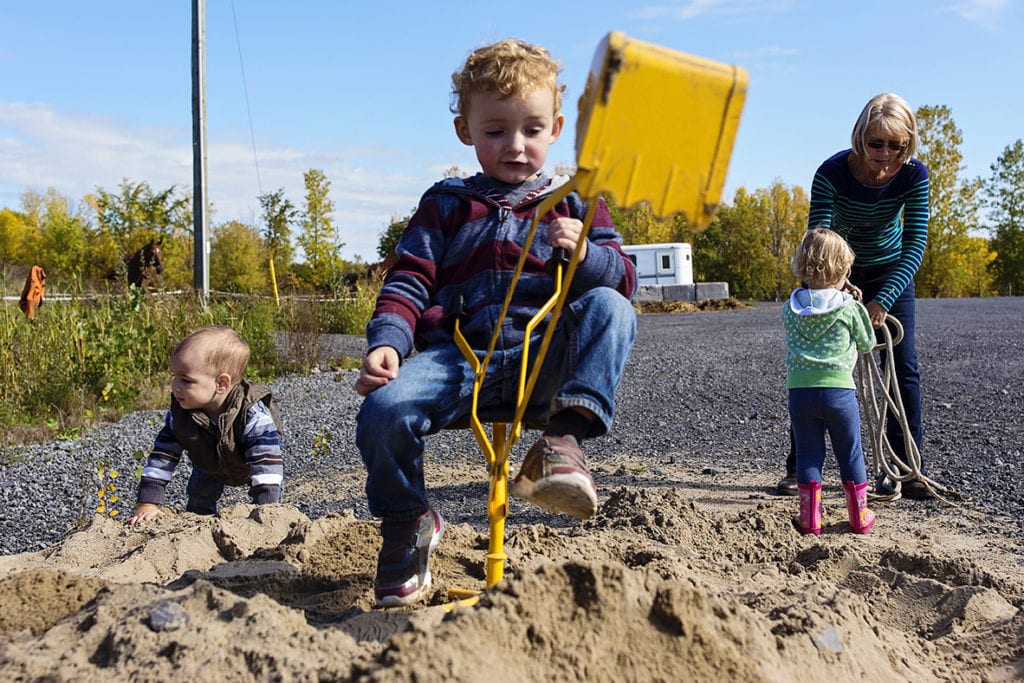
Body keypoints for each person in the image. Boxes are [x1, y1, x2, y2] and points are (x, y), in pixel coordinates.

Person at [353, 38, 637, 607]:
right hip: (462, 359)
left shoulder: (576, 200)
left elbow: (624, 279)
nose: (515, 146)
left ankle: (562, 445)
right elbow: (409, 278)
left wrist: (586, 257)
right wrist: (388, 341)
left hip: (543, 363)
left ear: (555, 127)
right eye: (495, 131)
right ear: (465, 131)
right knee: (382, 410)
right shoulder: (448, 202)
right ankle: (408, 522)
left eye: (532, 130)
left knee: (612, 308)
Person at [776, 92, 932, 500]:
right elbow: (819, 237)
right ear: (861, 137)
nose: (885, 154)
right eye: (876, 143)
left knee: (904, 366)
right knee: (818, 357)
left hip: (889, 269)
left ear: (907, 144)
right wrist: (835, 282)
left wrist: (883, 298)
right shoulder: (832, 172)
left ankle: (905, 469)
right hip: (836, 266)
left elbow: (915, 243)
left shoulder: (914, 175)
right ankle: (800, 468)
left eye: (895, 145)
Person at [127, 326, 284, 525]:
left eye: (186, 380)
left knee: (269, 496)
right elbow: (162, 457)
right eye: (174, 377)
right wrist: (147, 503)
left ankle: (269, 518)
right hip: (209, 460)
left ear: (221, 384)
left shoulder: (254, 416)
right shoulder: (181, 415)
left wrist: (266, 511)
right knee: (200, 491)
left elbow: (267, 466)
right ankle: (199, 522)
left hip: (249, 459)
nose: (175, 386)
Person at [784, 228, 877, 535]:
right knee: (850, 452)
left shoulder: (790, 307)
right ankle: (859, 517)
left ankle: (811, 519)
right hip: (839, 392)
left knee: (809, 454)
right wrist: (858, 307)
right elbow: (866, 343)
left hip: (800, 392)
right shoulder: (849, 307)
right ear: (842, 269)